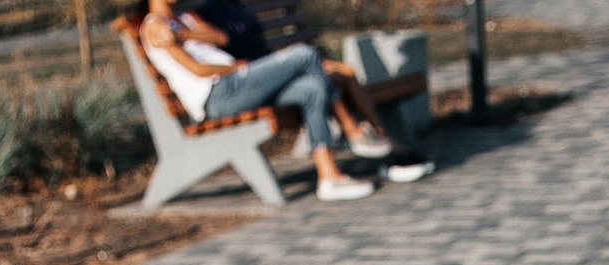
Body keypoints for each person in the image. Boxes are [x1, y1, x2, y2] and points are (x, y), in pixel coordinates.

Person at [129, 0, 429, 199]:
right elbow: (197, 68)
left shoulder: (183, 20)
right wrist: (235, 66)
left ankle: (329, 177)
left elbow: (221, 40)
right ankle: (352, 131)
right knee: (305, 55)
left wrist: (185, 34)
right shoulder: (154, 27)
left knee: (313, 88)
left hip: (236, 83)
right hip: (218, 95)